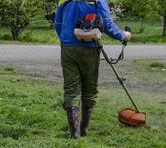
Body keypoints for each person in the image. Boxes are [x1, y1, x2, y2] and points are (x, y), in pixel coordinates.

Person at [55, 0, 131, 139]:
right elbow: (107, 25)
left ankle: (74, 134)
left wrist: (66, 39)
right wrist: (123, 35)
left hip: (68, 48)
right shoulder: (98, 1)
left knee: (71, 89)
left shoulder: (63, 1)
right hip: (90, 48)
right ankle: (84, 130)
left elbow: (58, 24)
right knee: (89, 89)